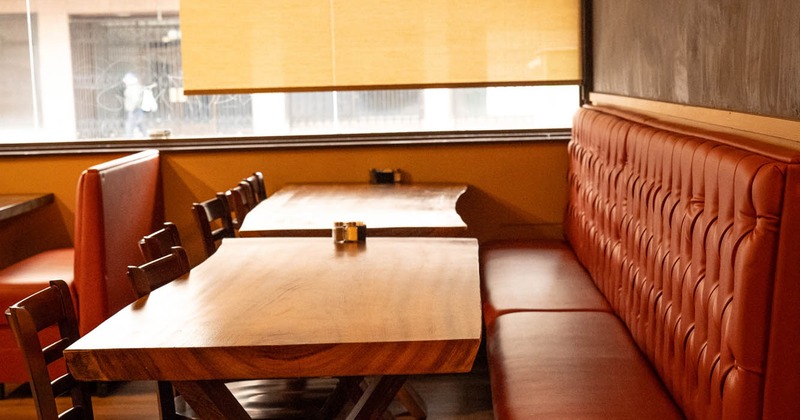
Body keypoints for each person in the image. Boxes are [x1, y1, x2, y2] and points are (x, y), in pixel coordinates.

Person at [123, 72, 146, 137]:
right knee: (140, 126)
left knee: (130, 127)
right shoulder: (133, 87)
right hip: (135, 110)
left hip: (134, 110)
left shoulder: (133, 88)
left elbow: (135, 99)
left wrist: (132, 108)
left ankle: (128, 141)